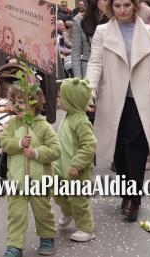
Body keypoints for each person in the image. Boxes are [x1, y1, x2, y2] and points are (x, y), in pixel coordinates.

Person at [84, 0, 150, 222]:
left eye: (126, 5)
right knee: (119, 151)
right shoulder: (103, 31)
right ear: (111, 8)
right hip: (113, 97)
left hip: (141, 99)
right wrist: (88, 91)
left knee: (137, 147)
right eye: (117, 6)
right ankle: (125, 193)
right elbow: (95, 64)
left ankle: (135, 199)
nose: (122, 10)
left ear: (135, 5)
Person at [0, 84, 60, 257]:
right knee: (16, 214)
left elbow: (56, 150)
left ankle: (47, 236)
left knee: (43, 212)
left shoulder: (43, 126)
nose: (17, 106)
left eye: (22, 102)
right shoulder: (12, 124)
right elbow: (4, 143)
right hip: (16, 180)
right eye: (15, 101)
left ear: (35, 104)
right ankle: (14, 245)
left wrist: (37, 152)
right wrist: (19, 144)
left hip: (40, 181)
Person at [53, 79, 97, 243]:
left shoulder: (81, 121)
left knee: (79, 200)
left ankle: (86, 229)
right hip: (61, 166)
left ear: (72, 101)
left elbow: (89, 145)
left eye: (62, 98)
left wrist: (77, 163)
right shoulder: (68, 117)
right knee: (58, 193)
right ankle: (68, 211)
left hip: (77, 170)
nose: (59, 100)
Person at [71, 0, 110, 79]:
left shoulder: (113, 20)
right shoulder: (79, 20)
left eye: (110, 0)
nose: (109, 3)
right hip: (88, 69)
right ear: (95, 0)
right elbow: (76, 51)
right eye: (105, 0)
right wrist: (78, 78)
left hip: (109, 69)